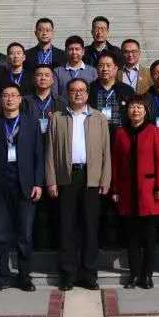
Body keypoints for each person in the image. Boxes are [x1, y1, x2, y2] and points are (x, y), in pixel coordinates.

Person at [45, 78, 111, 292]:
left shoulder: (99, 118)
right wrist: (51, 180)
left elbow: (106, 151)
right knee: (67, 227)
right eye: (73, 90)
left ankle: (89, 274)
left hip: (91, 177)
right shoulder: (57, 118)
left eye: (82, 90)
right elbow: (50, 152)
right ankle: (68, 274)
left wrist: (105, 179)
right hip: (66, 177)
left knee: (90, 227)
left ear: (88, 94)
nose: (78, 94)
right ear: (67, 94)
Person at [0, 84, 45, 291]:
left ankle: (24, 276)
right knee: (0, 234)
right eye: (5, 95)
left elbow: (39, 155)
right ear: (1, 99)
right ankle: (2, 276)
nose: (9, 99)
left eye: (13, 95)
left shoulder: (31, 123)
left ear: (20, 99)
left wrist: (38, 183)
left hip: (25, 185)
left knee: (25, 234)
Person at [110, 95, 159, 289]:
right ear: (127, 111)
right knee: (132, 238)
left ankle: (147, 275)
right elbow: (115, 163)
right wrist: (115, 188)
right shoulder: (121, 133)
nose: (136, 111)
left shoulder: (153, 131)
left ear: (146, 111)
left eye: (139, 107)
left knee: (149, 238)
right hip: (127, 193)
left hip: (149, 192)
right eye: (132, 107)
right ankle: (134, 275)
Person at [89, 51, 133, 248]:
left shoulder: (126, 90)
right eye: (101, 65)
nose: (104, 69)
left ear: (116, 68)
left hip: (120, 147)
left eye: (108, 65)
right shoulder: (89, 90)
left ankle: (120, 237)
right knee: (98, 193)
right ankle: (98, 237)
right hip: (95, 147)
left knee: (119, 191)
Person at [23, 64, 66, 251]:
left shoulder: (61, 102)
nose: (42, 78)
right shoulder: (25, 101)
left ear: (52, 80)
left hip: (54, 155)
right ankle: (33, 244)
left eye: (46, 75)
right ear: (34, 79)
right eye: (39, 75)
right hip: (30, 155)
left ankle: (53, 244)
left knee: (54, 203)